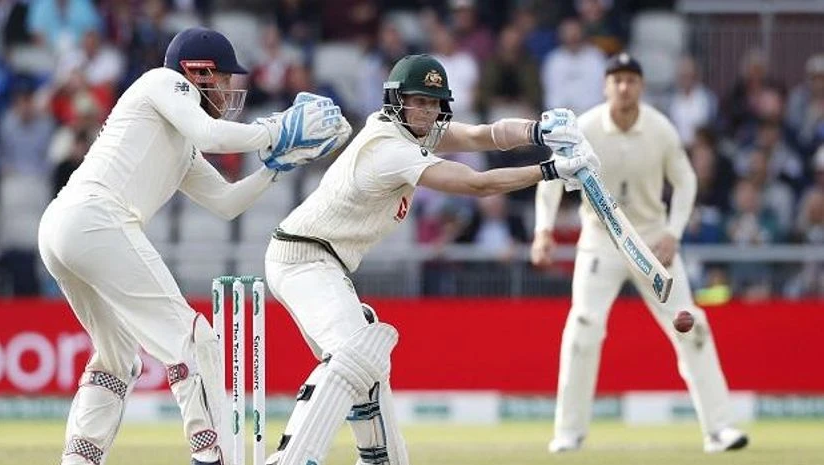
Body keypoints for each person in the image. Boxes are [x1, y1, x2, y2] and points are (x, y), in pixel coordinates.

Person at [263, 54, 599, 465]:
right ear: (397, 101)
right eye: (417, 101)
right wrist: (551, 170)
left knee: (368, 369)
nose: (426, 111)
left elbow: (485, 134)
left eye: (434, 102)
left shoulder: (414, 134)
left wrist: (540, 130)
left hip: (324, 263)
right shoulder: (389, 148)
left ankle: (383, 460)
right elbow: (477, 184)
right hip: (302, 257)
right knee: (356, 352)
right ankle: (292, 458)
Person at [37, 27, 351, 465]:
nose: (227, 88)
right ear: (197, 72)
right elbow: (213, 135)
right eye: (222, 78)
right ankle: (209, 454)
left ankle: (79, 460)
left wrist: (275, 168)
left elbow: (226, 202)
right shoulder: (163, 82)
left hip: (62, 228)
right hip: (96, 220)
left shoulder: (180, 141)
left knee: (117, 358)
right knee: (194, 337)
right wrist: (275, 128)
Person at [531, 53, 749, 454]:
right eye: (616, 79)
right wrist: (543, 230)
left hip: (652, 244)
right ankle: (569, 432)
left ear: (641, 86)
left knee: (691, 325)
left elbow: (685, 182)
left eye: (631, 79)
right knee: (583, 328)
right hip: (600, 240)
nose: (624, 87)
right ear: (605, 86)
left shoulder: (660, 129)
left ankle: (720, 429)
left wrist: (673, 233)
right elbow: (550, 181)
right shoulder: (584, 129)